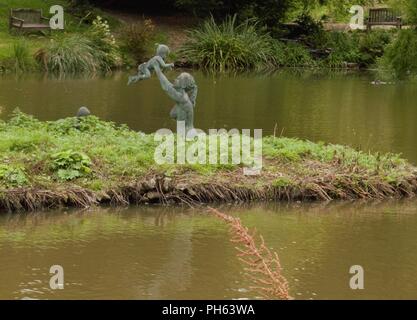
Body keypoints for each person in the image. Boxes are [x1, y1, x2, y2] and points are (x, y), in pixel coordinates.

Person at [153, 63, 198, 138]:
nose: (175, 79)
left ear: (183, 85)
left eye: (178, 79)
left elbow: (166, 86)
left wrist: (157, 68)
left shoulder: (181, 98)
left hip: (187, 134)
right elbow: (173, 114)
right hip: (188, 133)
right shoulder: (182, 98)